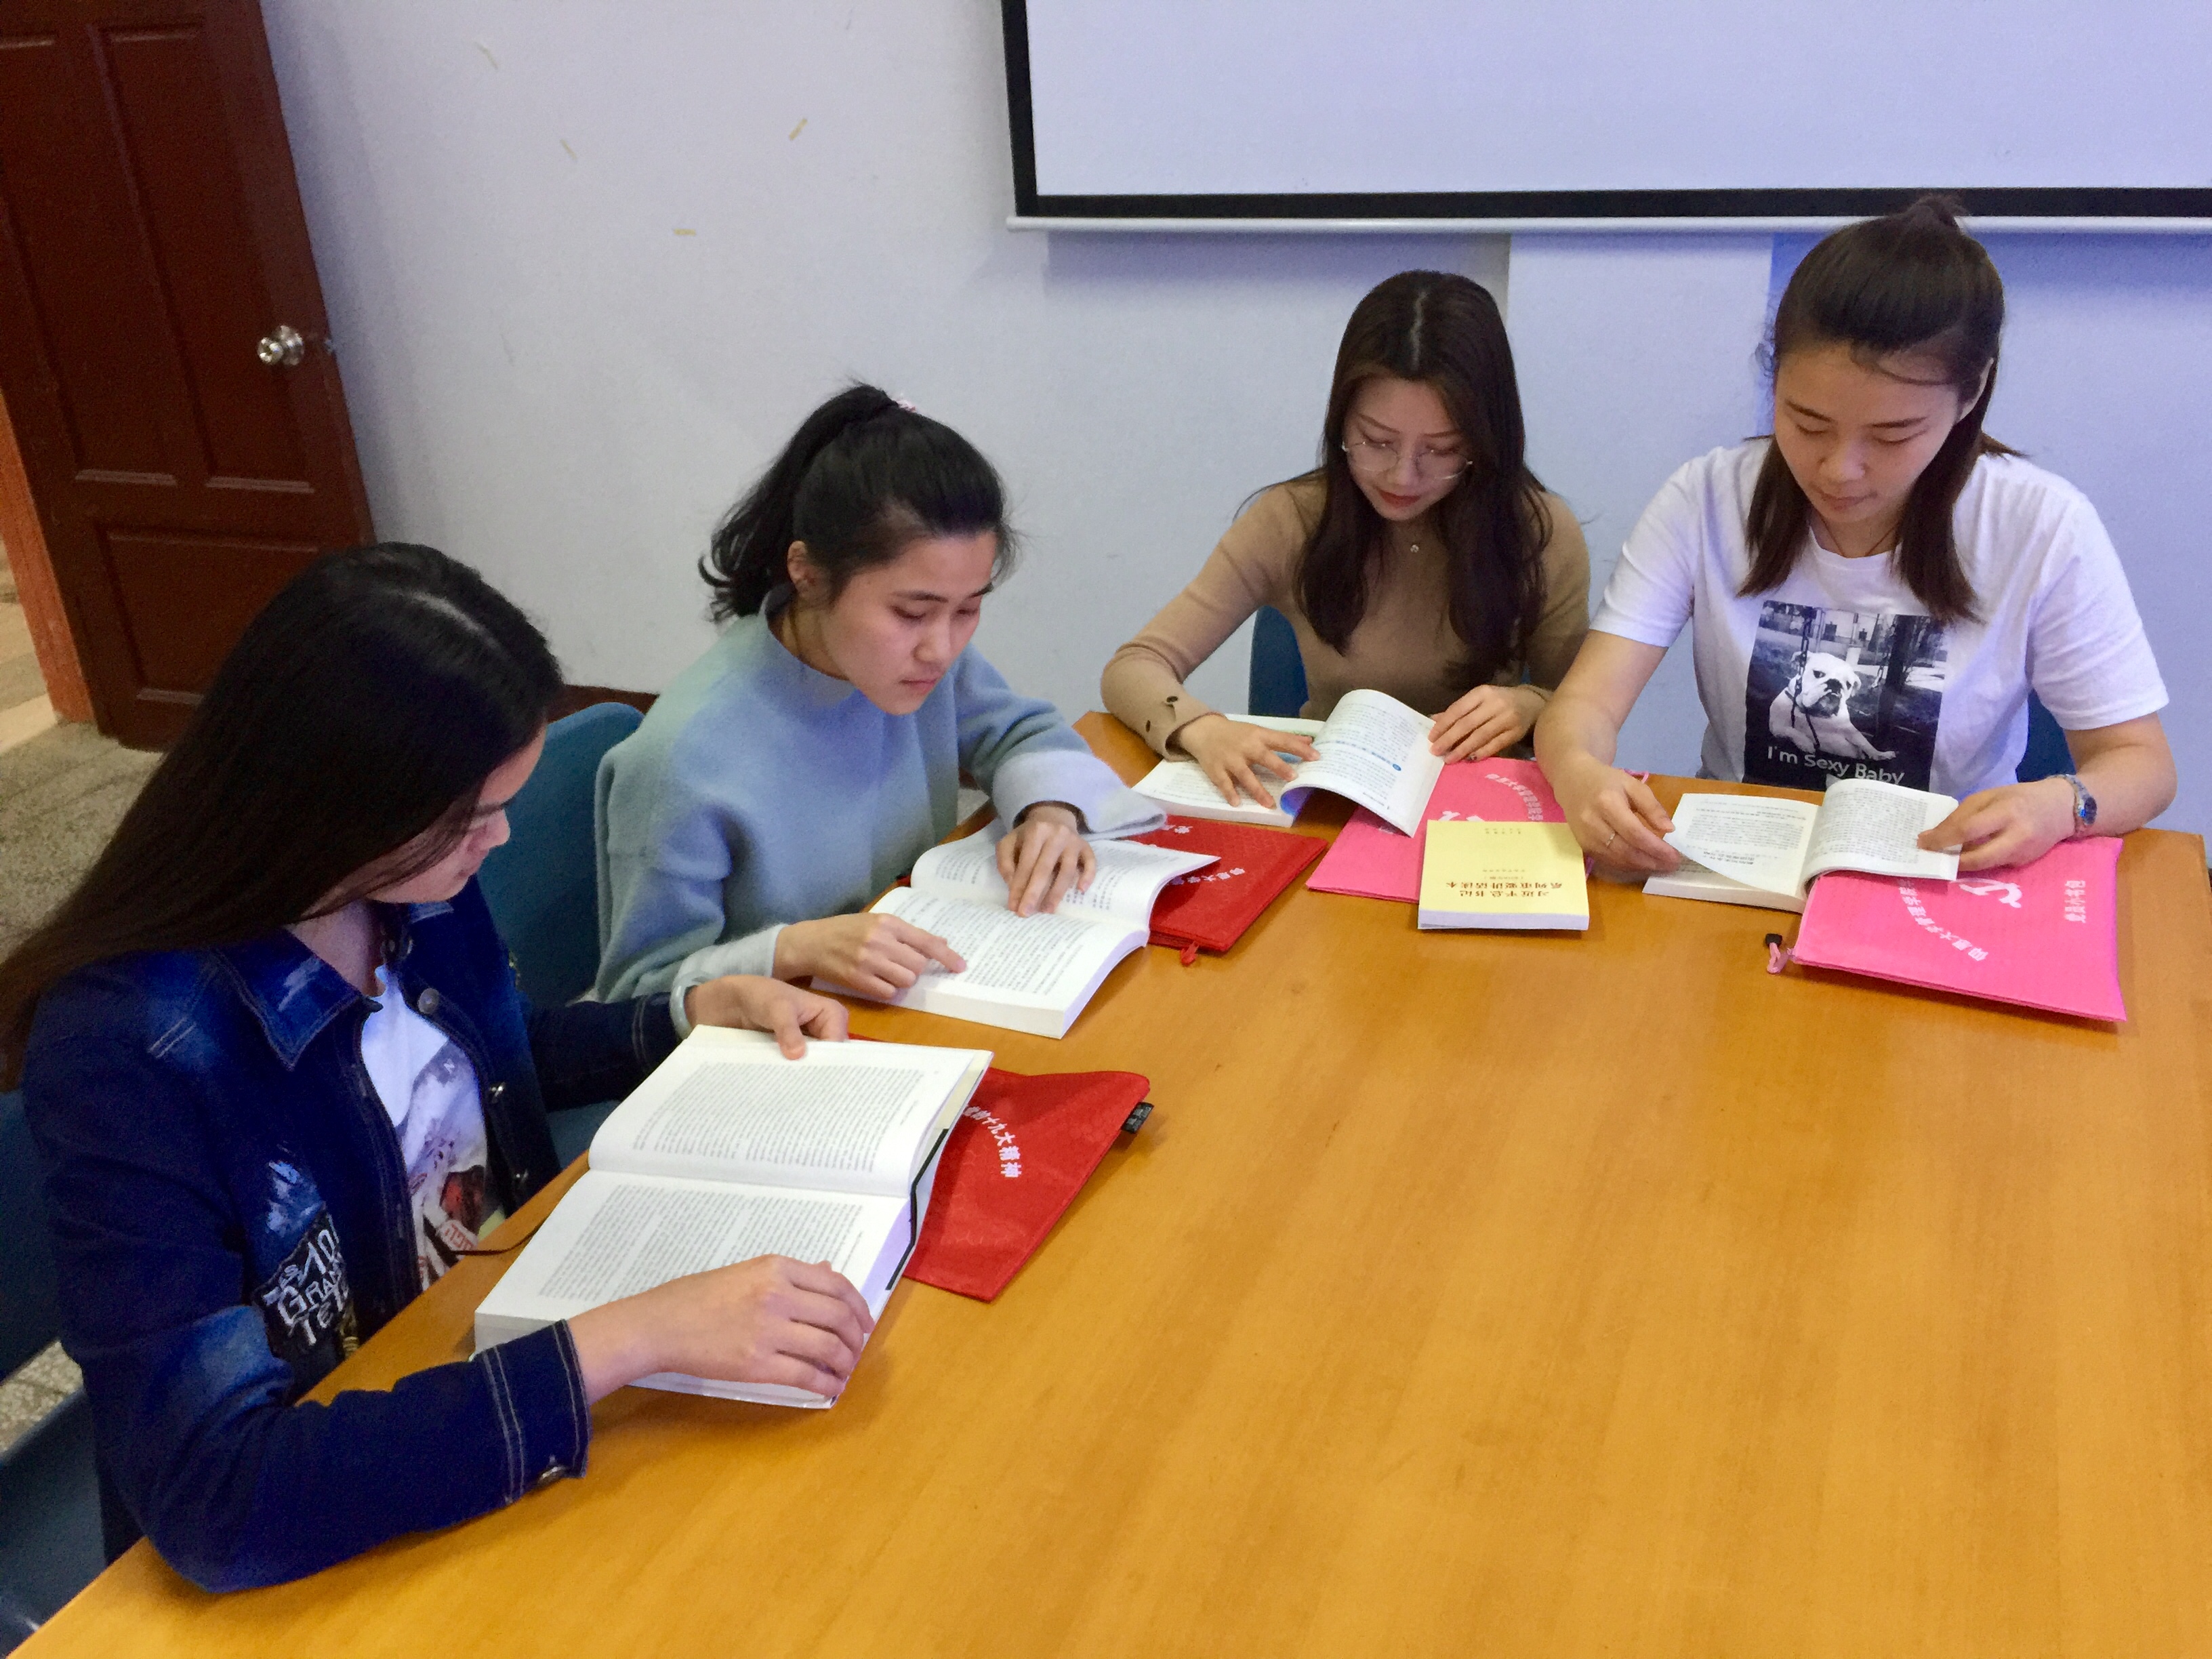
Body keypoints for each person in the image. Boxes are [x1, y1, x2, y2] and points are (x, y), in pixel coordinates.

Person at [0, 546, 874, 1591]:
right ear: (332, 804)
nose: (497, 841)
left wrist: (681, 1016)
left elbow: (473, 1070)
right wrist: (634, 1336)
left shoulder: (401, 884)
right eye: (466, 818)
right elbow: (217, 1496)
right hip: (342, 1484)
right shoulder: (130, 1051)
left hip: (478, 1337)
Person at [1536, 197, 2174, 874]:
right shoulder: (1707, 499)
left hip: (1945, 866)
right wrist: (1579, 772)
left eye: (1893, 435)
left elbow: (2141, 763)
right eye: (1807, 423)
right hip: (1740, 863)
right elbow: (1585, 704)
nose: (1840, 470)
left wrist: (2063, 803)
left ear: (1971, 393)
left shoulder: (2039, 525)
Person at [594, 385, 1160, 1012]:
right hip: (788, 1036)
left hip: (906, 990)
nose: (941, 649)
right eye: (912, 612)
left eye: (968, 609)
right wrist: (792, 948)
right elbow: (636, 1000)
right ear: (808, 574)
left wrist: (1050, 812)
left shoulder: (912, 664)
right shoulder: (683, 759)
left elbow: (1019, 730)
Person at [1101, 269, 1591, 810]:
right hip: (1331, 805)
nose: (1403, 475)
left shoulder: (1539, 533)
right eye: (1377, 441)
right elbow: (1135, 666)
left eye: (1442, 450)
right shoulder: (1292, 520)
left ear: (1484, 441)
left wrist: (1530, 706)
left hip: (1482, 811)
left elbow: (1585, 709)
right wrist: (1202, 728)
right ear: (1341, 423)